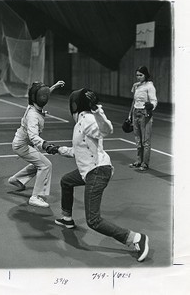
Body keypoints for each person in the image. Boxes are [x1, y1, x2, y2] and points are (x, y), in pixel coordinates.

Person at [54, 88, 149, 262]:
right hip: (89, 170)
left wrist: (98, 112)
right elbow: (77, 151)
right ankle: (67, 218)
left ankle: (135, 238)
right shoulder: (81, 122)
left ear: (75, 105)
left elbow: (105, 130)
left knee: (93, 220)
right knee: (66, 181)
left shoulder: (88, 119)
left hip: (97, 171)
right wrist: (57, 149)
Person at [8, 80, 65, 208]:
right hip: (22, 145)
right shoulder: (33, 115)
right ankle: (36, 196)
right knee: (46, 165)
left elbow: (45, 93)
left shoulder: (33, 106)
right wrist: (46, 145)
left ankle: (16, 179)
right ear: (36, 97)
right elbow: (33, 136)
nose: (45, 96)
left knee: (39, 163)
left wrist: (54, 86)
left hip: (22, 143)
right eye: (42, 94)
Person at [128, 66, 157, 171]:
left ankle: (145, 163)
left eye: (141, 75)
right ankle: (139, 161)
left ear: (145, 75)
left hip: (145, 114)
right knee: (138, 139)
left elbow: (154, 100)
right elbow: (134, 101)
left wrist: (151, 106)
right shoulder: (136, 86)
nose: (138, 77)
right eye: (137, 75)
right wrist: (130, 115)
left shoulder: (150, 86)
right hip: (136, 112)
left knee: (146, 140)